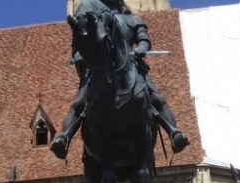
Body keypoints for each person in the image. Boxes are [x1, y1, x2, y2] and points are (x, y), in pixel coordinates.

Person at [50, 0, 189, 158]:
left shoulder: (131, 20)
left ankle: (174, 132)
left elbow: (143, 38)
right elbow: (79, 44)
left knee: (155, 96)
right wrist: (79, 55)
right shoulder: (93, 21)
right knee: (78, 104)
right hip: (98, 71)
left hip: (131, 67)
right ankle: (64, 137)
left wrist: (141, 48)